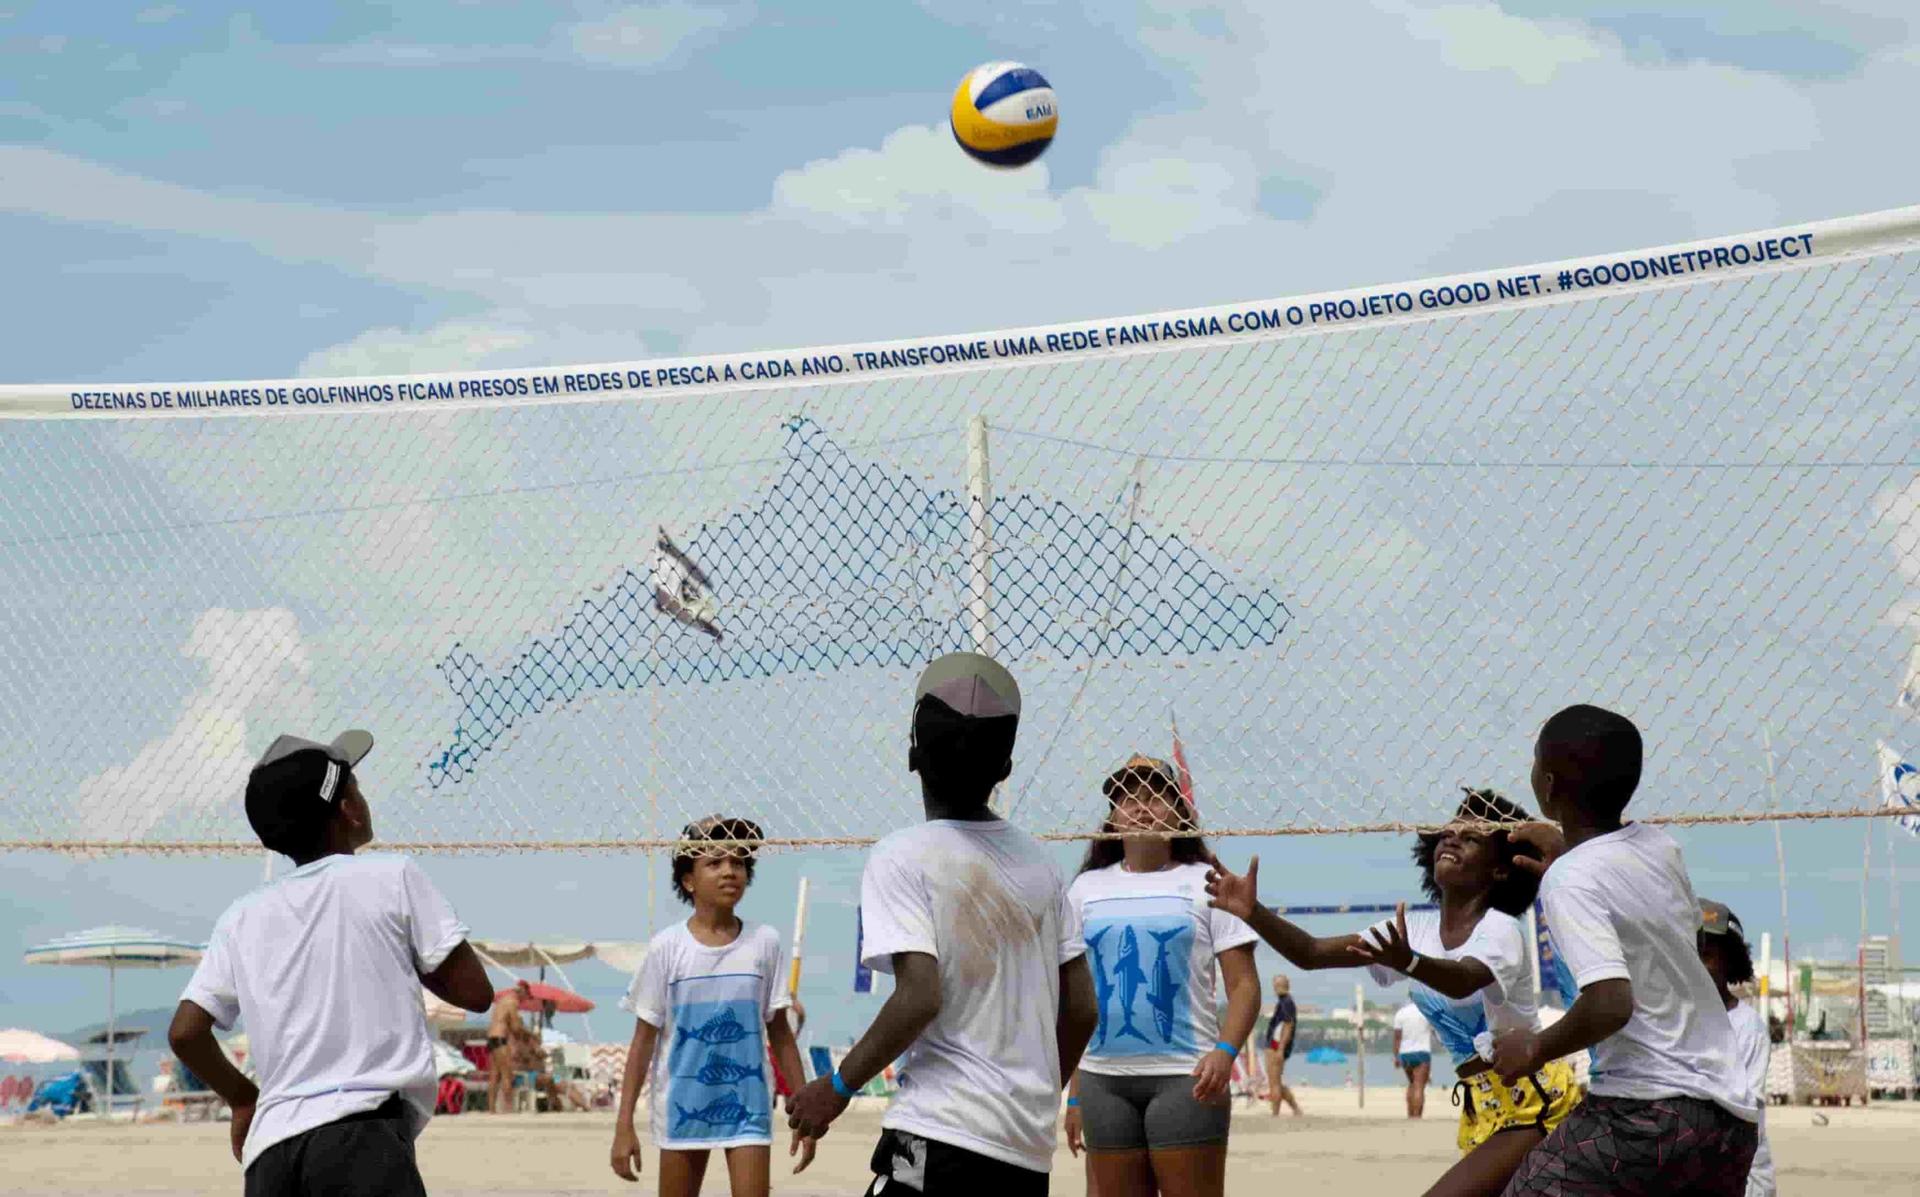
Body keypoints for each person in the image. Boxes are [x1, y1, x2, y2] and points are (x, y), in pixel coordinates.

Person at [786, 652, 1101, 1196]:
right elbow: (1082, 1008)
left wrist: (837, 1088)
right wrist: (1039, 1095)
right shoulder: (1042, 865)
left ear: (912, 753)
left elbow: (919, 996)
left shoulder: (902, 855)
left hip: (942, 1132)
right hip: (1024, 1153)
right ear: (1004, 768)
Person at [167, 730, 494, 1196]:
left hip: (271, 1155)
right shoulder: (391, 876)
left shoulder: (240, 917)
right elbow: (475, 993)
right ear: (348, 808)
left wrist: (243, 1101)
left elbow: (185, 1032)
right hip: (362, 1141)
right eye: (356, 788)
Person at [1208, 789, 1580, 1197]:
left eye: (1471, 837)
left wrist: (1411, 963)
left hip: (1532, 1099)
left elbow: (1464, 978)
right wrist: (1252, 911)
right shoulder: (1415, 929)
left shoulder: (1501, 929)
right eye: (1449, 832)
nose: (1452, 838)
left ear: (1500, 871)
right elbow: (1311, 954)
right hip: (1481, 1106)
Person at [1489, 704, 1759, 1196]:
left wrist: (1534, 1048)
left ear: (1548, 785)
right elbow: (1668, 930)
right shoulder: (1661, 847)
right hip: (1727, 1120)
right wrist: (1570, 851)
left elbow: (1611, 1002)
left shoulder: (1570, 880)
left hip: (1645, 1111)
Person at [1062, 755, 1260, 1197]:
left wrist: (1226, 1052)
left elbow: (1244, 985)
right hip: (1103, 1080)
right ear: (1112, 818)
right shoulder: (1084, 889)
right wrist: (1074, 1095)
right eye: (1128, 798)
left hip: (1186, 1078)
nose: (1142, 805)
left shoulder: (1207, 881)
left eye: (1155, 796)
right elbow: (1078, 1001)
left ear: (1179, 812)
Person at [609, 816, 813, 1195]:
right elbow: (642, 1044)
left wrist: (805, 1112)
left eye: (738, 862)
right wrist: (624, 1125)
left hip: (748, 1106)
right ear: (688, 879)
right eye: (714, 863)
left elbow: (780, 1032)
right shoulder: (667, 948)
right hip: (682, 1105)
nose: (729, 871)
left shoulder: (764, 942)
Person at [1698, 899, 1773, 1197]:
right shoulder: (1672, 1020)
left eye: (1707, 955)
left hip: (1740, 1173)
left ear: (1730, 961)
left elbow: (1741, 1111)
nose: (1698, 966)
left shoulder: (1747, 1026)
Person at [1263, 976, 1301, 1116]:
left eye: (1275, 985)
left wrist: (1280, 1049)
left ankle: (1275, 1114)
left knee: (1274, 1083)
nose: (1274, 988)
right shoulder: (1285, 1002)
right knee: (1276, 1081)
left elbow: (1287, 1026)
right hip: (1275, 1046)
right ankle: (1296, 1109)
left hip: (1275, 1046)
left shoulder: (1286, 1002)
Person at [486, 984, 525, 1114]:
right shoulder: (513, 1003)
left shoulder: (501, 1002)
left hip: (492, 1037)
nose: (525, 1000)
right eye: (525, 997)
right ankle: (508, 1108)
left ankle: (491, 1109)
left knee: (494, 1075)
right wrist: (525, 1032)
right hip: (501, 1038)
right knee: (507, 1074)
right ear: (521, 993)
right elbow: (515, 1027)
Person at [1393, 1001, 1432, 1119]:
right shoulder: (1425, 1012)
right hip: (1422, 1052)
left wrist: (1396, 1056)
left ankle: (1410, 1114)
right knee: (1419, 1085)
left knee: (1411, 1084)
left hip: (1405, 1054)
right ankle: (1417, 1116)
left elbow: (1397, 1038)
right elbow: (1436, 1031)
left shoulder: (1400, 1013)